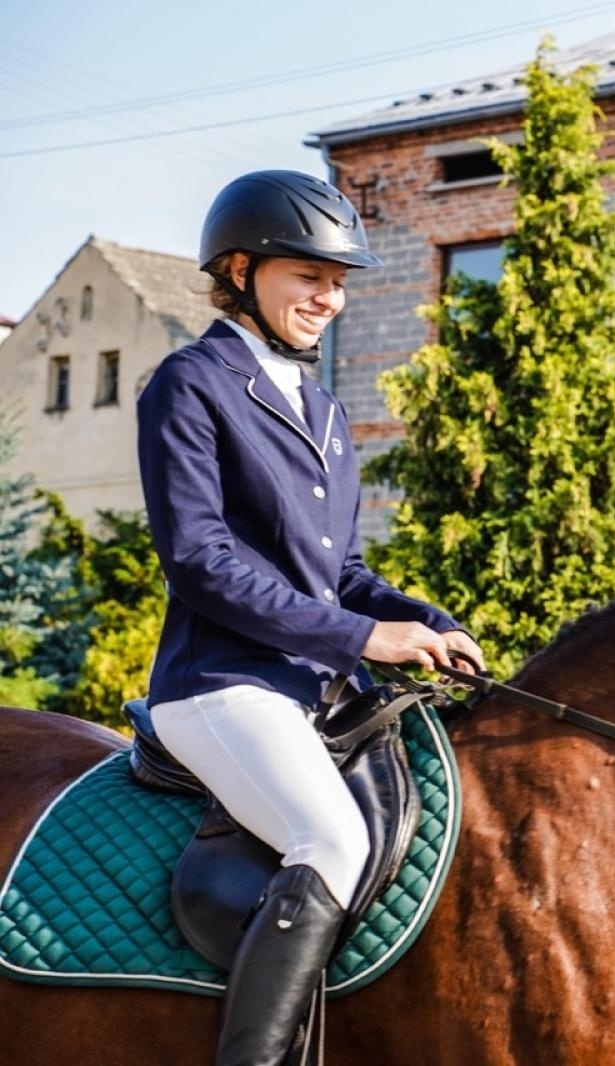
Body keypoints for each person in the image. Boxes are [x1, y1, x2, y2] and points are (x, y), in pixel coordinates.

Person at [136, 170, 484, 1066]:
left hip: (312, 690)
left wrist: (427, 623)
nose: (329, 297)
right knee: (329, 838)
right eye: (309, 276)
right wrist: (366, 639)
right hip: (221, 685)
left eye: (340, 281)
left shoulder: (322, 408)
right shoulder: (190, 384)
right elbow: (202, 563)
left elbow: (343, 572)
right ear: (243, 270)